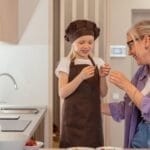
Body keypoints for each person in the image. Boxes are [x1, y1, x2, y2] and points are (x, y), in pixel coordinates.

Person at [55, 19, 111, 148]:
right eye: (81, 42)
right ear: (73, 43)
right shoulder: (65, 62)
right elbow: (62, 93)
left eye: (90, 42)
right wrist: (81, 77)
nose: (86, 46)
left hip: (93, 121)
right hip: (72, 121)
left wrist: (102, 77)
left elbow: (103, 92)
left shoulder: (98, 62)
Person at [102, 20, 150, 148]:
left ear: (146, 41)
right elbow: (127, 107)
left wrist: (127, 85)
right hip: (139, 142)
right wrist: (94, 107)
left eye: (131, 45)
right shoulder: (141, 73)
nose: (129, 52)